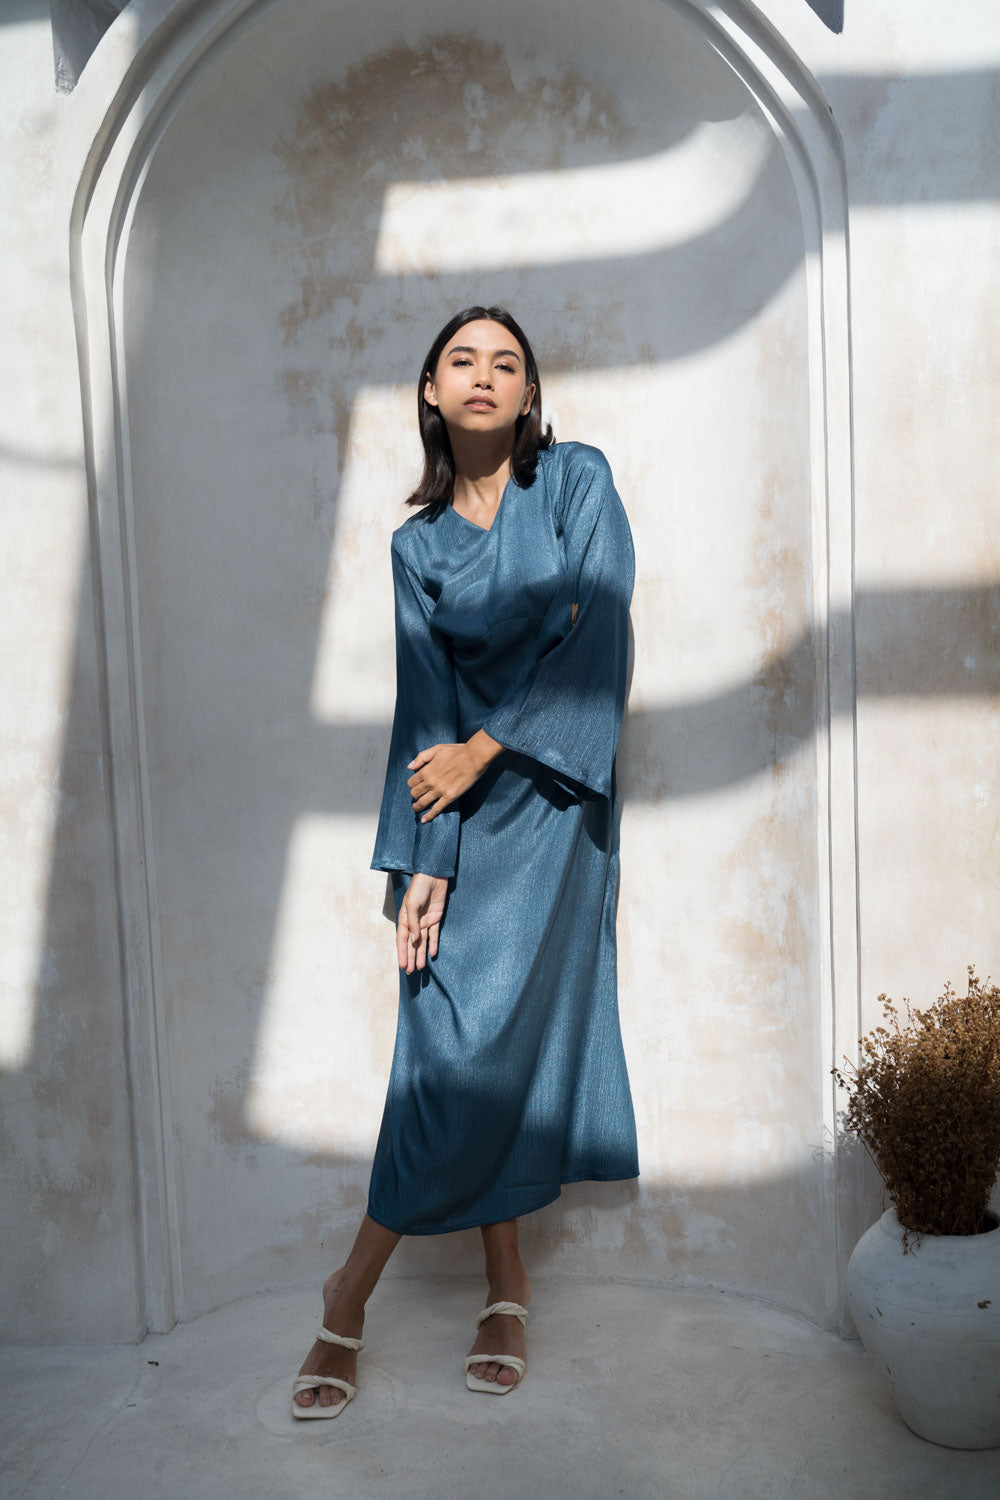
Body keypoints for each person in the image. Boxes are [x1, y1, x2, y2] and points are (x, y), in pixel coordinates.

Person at [292, 305, 639, 1418]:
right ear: (431, 393)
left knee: (503, 1044)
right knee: (444, 1049)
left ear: (529, 394)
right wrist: (427, 865)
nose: (484, 374)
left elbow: (600, 631)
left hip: (553, 801)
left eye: (507, 362)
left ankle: (381, 1291)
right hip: (457, 813)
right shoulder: (418, 547)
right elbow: (424, 709)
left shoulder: (575, 481)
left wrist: (484, 752)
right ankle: (469, 1283)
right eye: (461, 360)